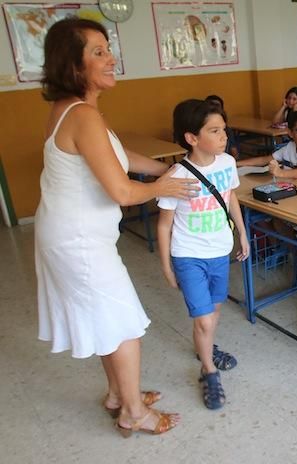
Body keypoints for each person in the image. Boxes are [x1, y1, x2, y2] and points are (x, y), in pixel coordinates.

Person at [36, 18, 198, 436]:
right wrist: (163, 185)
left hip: (70, 235)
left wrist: (167, 167)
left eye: (108, 49)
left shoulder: (78, 111)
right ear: (72, 65)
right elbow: (124, 192)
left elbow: (119, 155)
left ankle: (116, 395)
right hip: (79, 242)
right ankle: (132, 412)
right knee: (124, 323)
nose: (111, 60)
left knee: (104, 319)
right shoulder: (83, 116)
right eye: (98, 52)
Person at [157, 99, 249, 410]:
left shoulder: (226, 163)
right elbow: (164, 223)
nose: (224, 136)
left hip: (220, 252)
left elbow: (231, 196)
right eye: (214, 130)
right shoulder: (176, 176)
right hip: (188, 256)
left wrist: (242, 233)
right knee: (205, 321)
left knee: (213, 313)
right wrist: (167, 266)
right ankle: (208, 370)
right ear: (191, 138)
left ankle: (205, 348)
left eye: (224, 129)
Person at [237, 110, 297, 180]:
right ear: (290, 133)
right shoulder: (289, 147)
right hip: (295, 187)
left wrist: (280, 173)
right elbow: (264, 159)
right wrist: (236, 163)